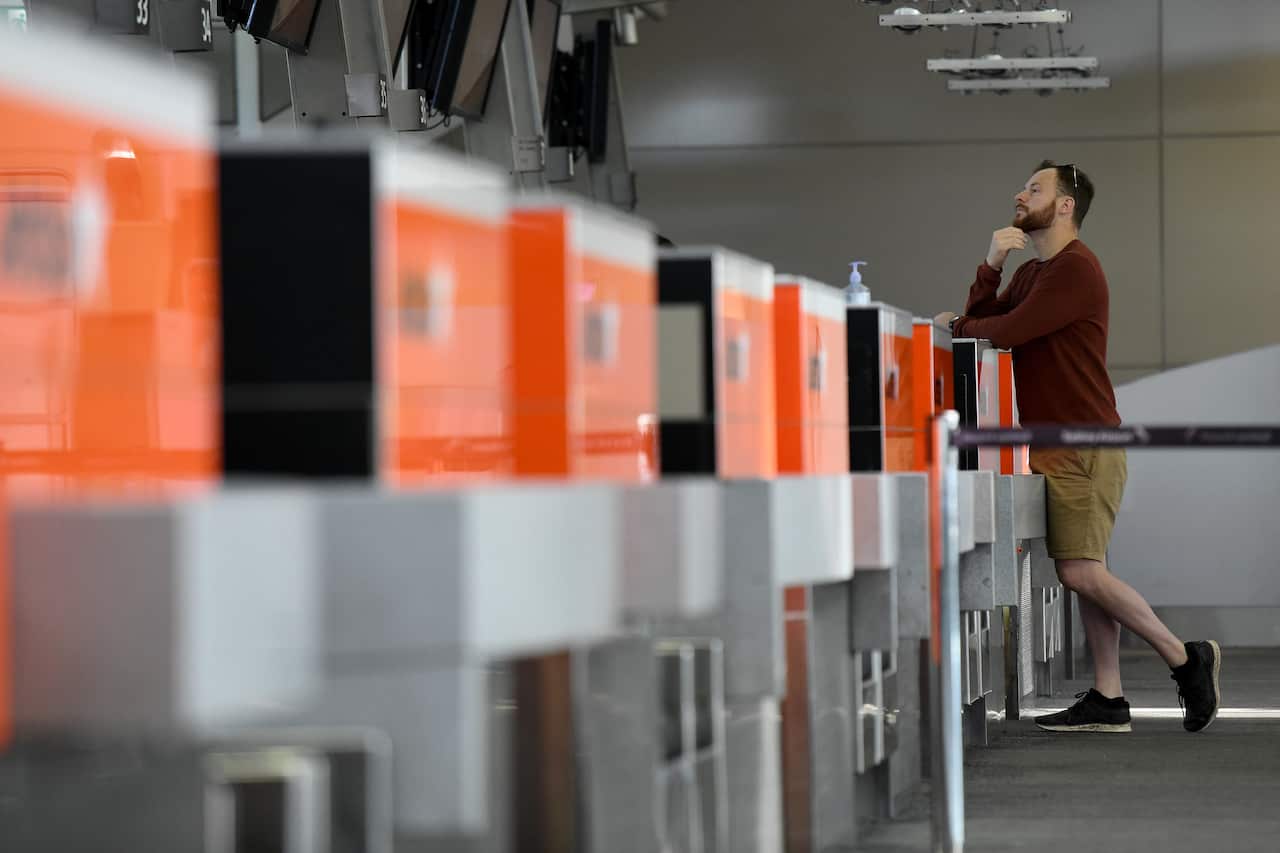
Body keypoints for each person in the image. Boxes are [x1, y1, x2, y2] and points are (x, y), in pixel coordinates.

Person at [933, 161, 1221, 734]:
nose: (1020, 194)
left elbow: (1002, 334)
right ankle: (1108, 699)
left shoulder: (1074, 270)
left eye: (1035, 188)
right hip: (1058, 443)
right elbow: (992, 316)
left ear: (1065, 205)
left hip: (1083, 444)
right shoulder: (1037, 272)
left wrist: (956, 324)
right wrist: (991, 266)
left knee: (1080, 572)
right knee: (1087, 569)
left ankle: (1188, 660)